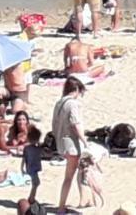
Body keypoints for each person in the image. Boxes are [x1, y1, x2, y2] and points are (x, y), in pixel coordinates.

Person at [53, 77, 87, 214]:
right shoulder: (72, 104)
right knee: (70, 177)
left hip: (61, 142)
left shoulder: (59, 103)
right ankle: (61, 207)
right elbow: (75, 124)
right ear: (77, 89)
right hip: (71, 143)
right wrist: (84, 141)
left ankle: (85, 198)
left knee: (80, 170)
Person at [22, 124, 43, 205]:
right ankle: (31, 199)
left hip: (30, 168)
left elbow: (23, 159)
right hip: (33, 168)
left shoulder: (27, 148)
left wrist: (22, 168)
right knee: (36, 183)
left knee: (35, 183)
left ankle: (32, 198)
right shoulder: (37, 148)